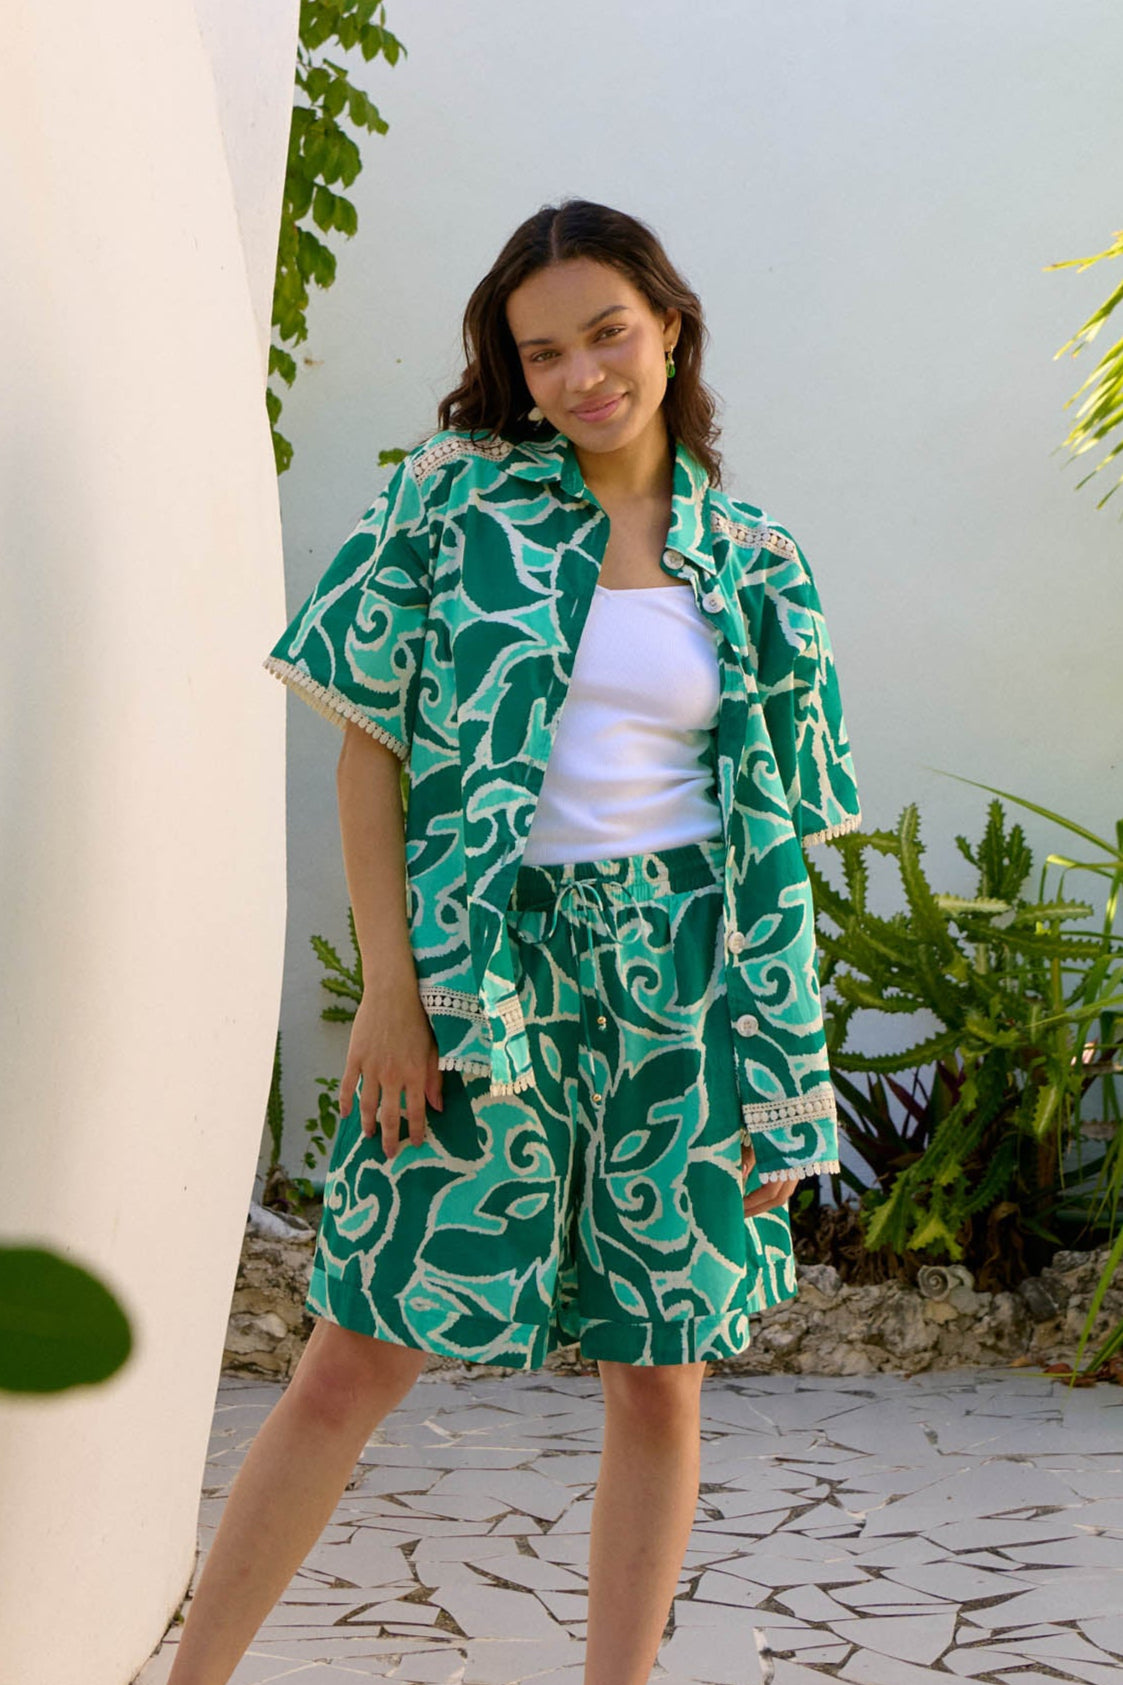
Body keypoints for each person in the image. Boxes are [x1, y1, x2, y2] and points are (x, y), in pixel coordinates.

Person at [167, 196, 861, 1685]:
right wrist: (391, 989)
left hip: (683, 998)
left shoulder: (761, 562)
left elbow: (779, 849)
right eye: (543, 353)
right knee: (356, 1350)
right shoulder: (450, 504)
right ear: (514, 369)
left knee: (659, 1382)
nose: (581, 374)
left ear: (670, 325)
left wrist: (784, 1075)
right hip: (486, 979)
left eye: (608, 333)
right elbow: (370, 747)